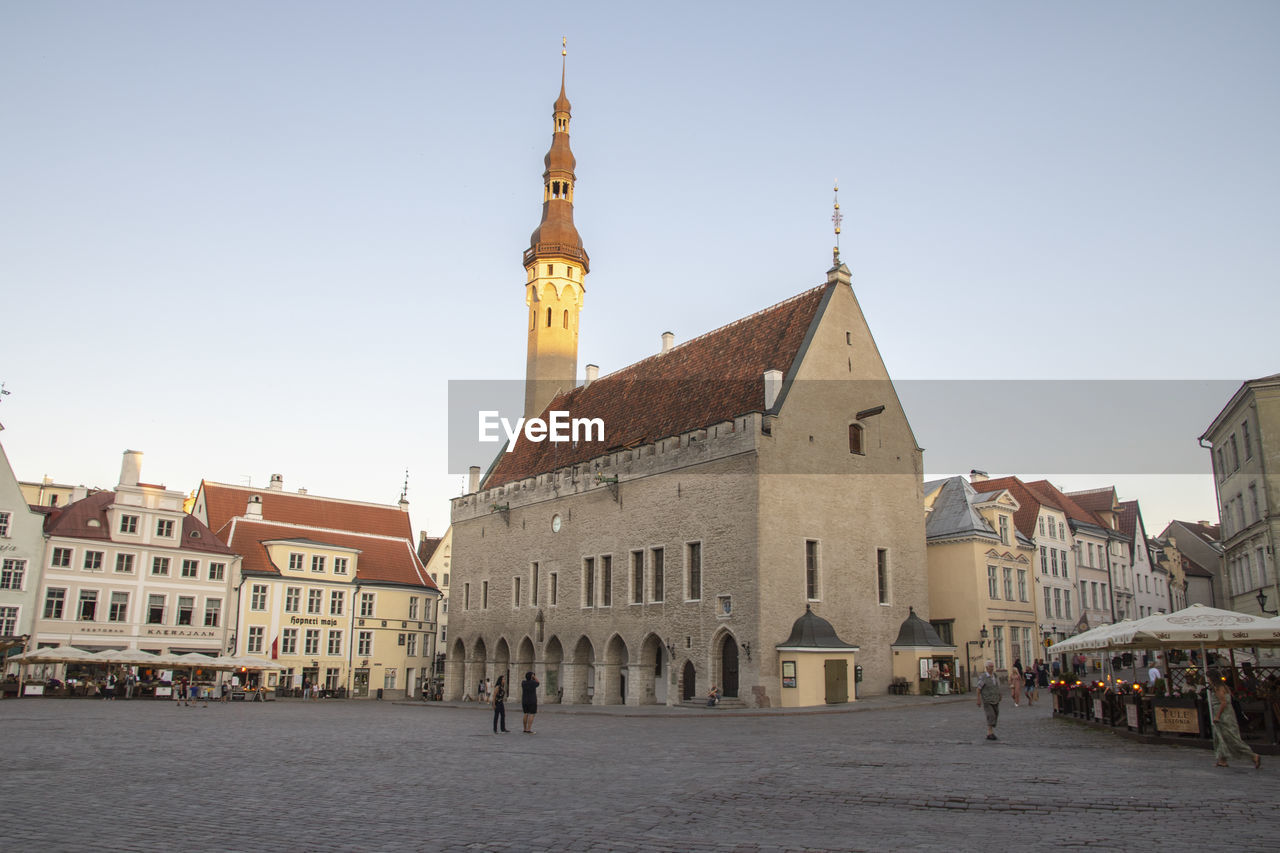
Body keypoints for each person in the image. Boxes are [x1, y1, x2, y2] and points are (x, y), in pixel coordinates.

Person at [1209, 678, 1260, 769]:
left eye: (1209, 678)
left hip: (1223, 716)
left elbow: (1223, 702)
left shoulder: (1218, 688)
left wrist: (1217, 716)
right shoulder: (1225, 687)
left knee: (1231, 738)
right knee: (1221, 736)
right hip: (1229, 714)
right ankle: (1222, 760)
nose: (1208, 680)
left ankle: (1252, 755)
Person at [976, 660, 1002, 740]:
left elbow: (997, 686)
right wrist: (978, 700)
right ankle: (990, 733)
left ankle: (991, 729)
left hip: (995, 699)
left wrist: (1000, 694)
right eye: (990, 667)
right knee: (991, 715)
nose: (992, 668)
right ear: (986, 668)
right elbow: (978, 689)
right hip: (987, 699)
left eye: (992, 667)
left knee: (996, 713)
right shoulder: (983, 677)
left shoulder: (995, 676)